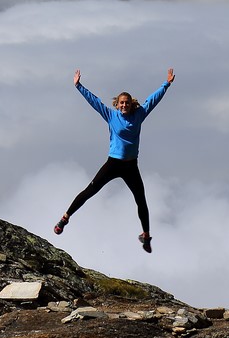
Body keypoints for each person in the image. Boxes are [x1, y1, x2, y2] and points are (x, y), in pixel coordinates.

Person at [54, 67, 175, 253]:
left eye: (127, 103)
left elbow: (153, 100)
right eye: (121, 103)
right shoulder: (111, 115)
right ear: (117, 105)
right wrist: (78, 86)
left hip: (131, 166)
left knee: (141, 201)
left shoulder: (139, 114)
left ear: (131, 104)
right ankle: (65, 218)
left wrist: (166, 84)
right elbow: (95, 102)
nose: (124, 106)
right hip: (113, 163)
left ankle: (146, 236)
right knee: (90, 190)